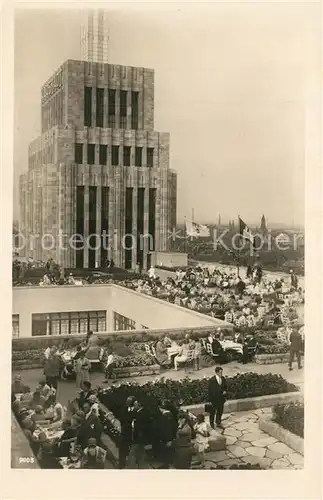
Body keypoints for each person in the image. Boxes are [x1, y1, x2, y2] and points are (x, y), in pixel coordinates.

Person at [127, 400, 147, 469]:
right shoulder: (138, 412)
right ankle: (140, 466)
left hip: (139, 437)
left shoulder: (142, 413)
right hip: (138, 437)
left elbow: (141, 426)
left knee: (134, 453)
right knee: (140, 454)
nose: (134, 406)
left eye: (135, 405)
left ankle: (133, 467)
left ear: (139, 405)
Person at [118, 396, 137, 469]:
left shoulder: (135, 411)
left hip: (132, 433)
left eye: (129, 401)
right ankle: (121, 464)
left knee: (132, 451)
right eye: (127, 400)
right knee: (122, 449)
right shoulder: (124, 409)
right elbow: (121, 418)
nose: (127, 402)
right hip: (124, 432)